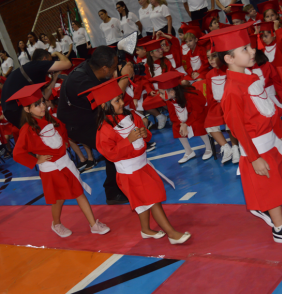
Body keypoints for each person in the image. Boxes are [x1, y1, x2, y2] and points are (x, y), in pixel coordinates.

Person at [201, 22, 282, 244]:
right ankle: (279, 229)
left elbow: (266, 107)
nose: (252, 50)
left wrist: (279, 129)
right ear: (229, 59)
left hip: (271, 139)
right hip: (257, 147)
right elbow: (236, 128)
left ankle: (263, 209)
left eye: (249, 46)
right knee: (270, 187)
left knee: (280, 179)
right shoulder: (232, 91)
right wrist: (254, 158)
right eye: (244, 49)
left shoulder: (251, 77)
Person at [92, 76, 191, 244]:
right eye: (116, 101)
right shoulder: (104, 130)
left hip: (143, 165)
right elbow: (110, 154)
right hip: (129, 173)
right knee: (152, 200)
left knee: (143, 202)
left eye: (121, 99)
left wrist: (146, 134)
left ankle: (146, 230)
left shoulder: (130, 116)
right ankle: (172, 234)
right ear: (104, 105)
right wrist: (127, 140)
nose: (122, 103)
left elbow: (143, 135)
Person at [11, 83, 110, 238]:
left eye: (43, 102)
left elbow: (62, 130)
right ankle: (56, 224)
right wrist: (36, 161)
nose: (42, 106)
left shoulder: (52, 120)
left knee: (79, 192)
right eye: (36, 105)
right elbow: (17, 153)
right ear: (27, 109)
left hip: (66, 164)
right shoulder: (27, 129)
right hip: (51, 169)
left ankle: (93, 225)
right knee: (59, 199)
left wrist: (64, 142)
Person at [57, 46, 134, 205]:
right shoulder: (80, 80)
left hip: (89, 117)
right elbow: (110, 104)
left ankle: (119, 186)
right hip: (77, 125)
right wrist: (125, 77)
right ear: (104, 68)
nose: (113, 71)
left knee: (116, 145)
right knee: (112, 148)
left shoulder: (90, 68)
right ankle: (112, 192)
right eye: (112, 68)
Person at [1, 49, 71, 129]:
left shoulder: (33, 70)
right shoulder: (36, 65)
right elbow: (67, 64)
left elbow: (44, 96)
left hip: (12, 109)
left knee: (44, 130)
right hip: (15, 108)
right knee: (39, 131)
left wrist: (54, 79)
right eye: (50, 61)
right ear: (45, 59)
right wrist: (57, 53)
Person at [153, 71, 212, 163]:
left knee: (197, 124)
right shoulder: (169, 100)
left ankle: (209, 147)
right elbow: (173, 115)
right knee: (176, 127)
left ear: (172, 92)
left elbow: (197, 112)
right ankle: (189, 151)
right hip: (186, 117)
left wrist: (186, 124)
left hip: (200, 114)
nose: (159, 95)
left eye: (161, 93)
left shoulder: (191, 95)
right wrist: (181, 124)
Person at [204, 48, 240, 164]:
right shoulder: (209, 74)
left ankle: (235, 147)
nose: (211, 60)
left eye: (214, 56)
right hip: (217, 105)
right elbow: (210, 94)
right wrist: (210, 109)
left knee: (230, 119)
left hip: (231, 103)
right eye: (208, 57)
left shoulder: (229, 70)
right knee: (209, 123)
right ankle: (226, 147)